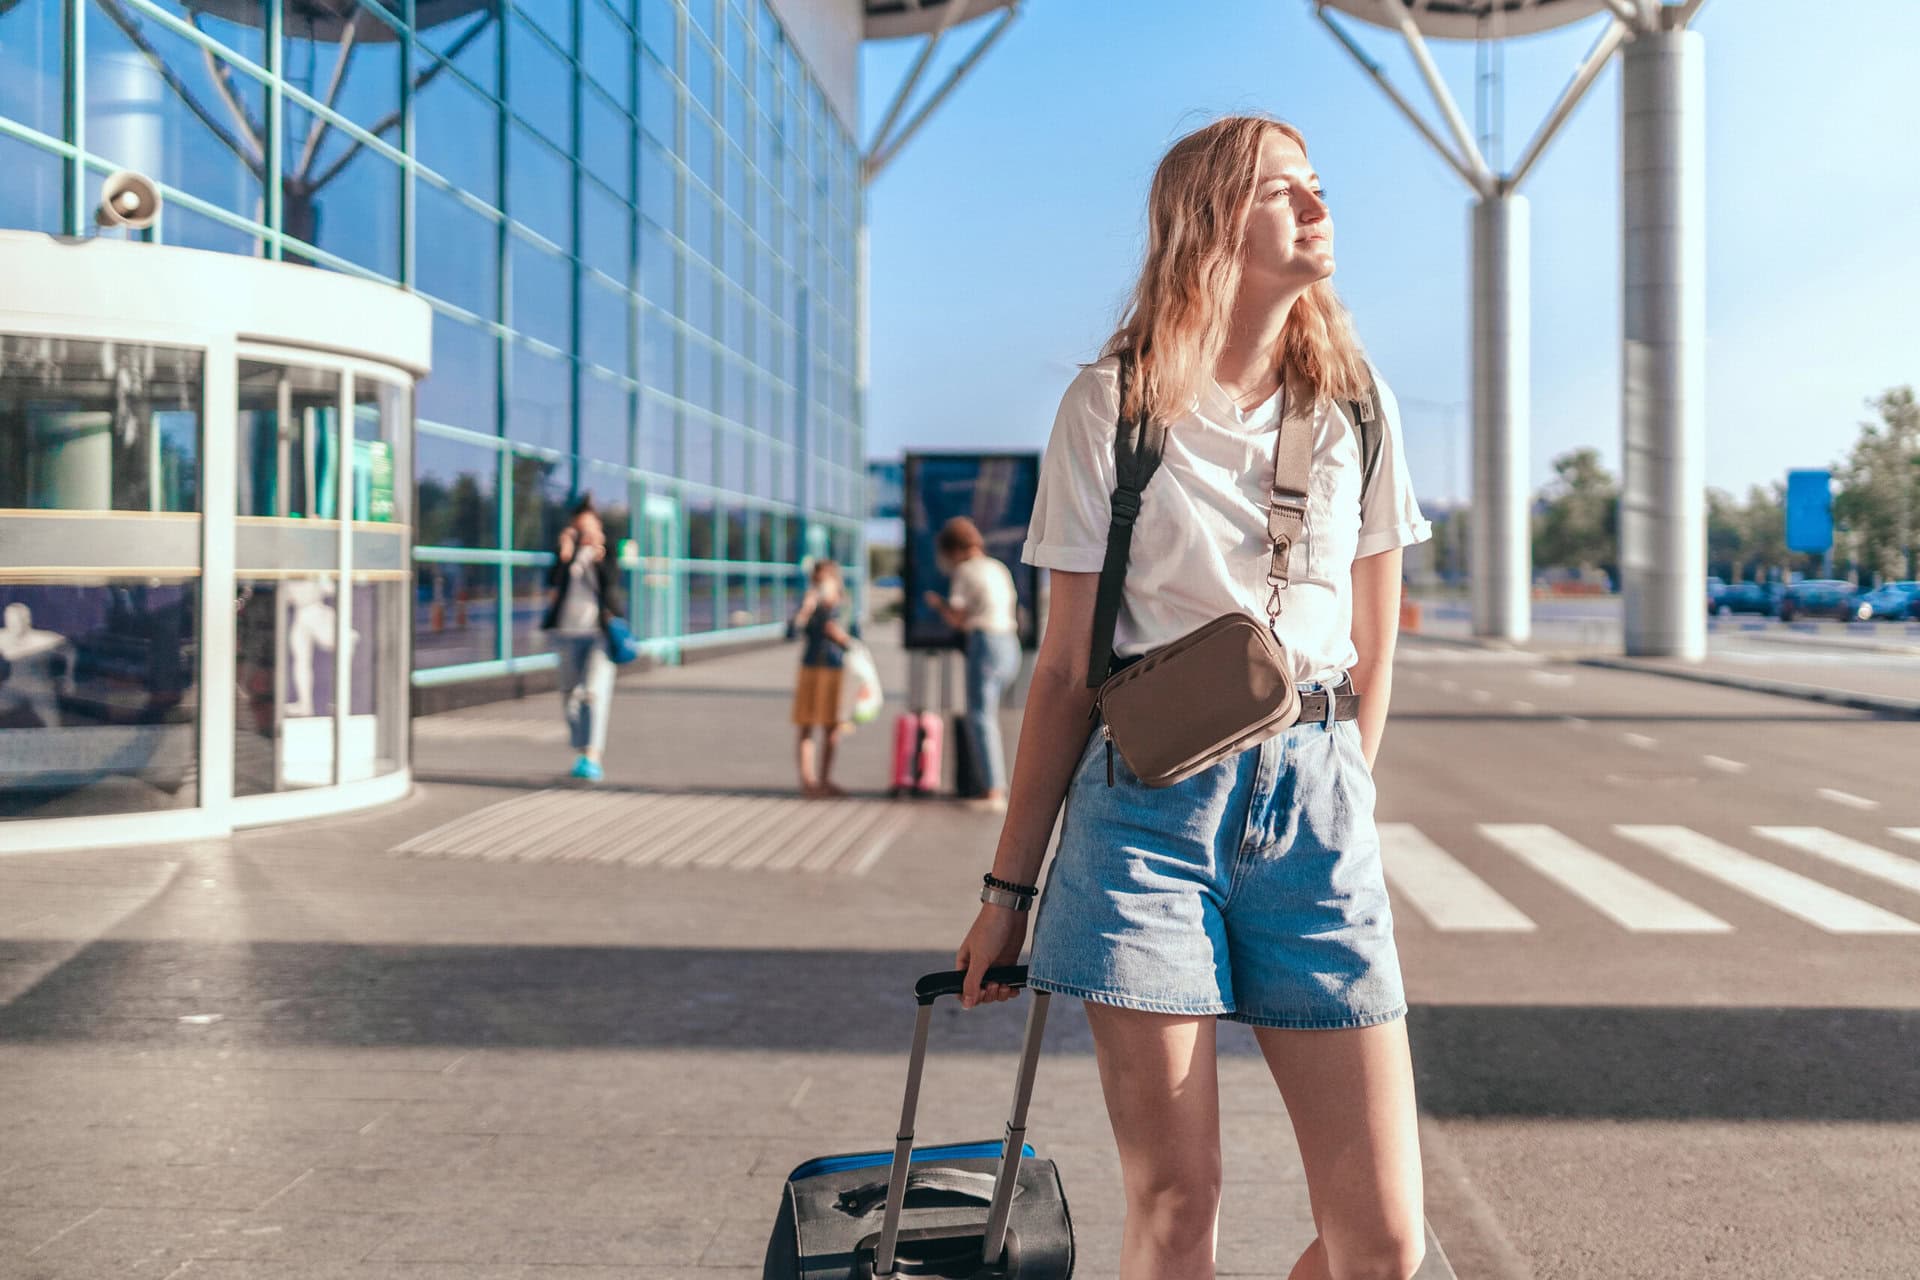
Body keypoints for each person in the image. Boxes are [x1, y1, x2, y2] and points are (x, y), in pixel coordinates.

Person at [953, 116, 1434, 1280]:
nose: (1320, 208)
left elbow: (1375, 640)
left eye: (1320, 186)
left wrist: (1346, 789)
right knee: (1177, 1205)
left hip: (1313, 815)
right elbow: (1063, 672)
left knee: (1384, 1242)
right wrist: (1006, 893)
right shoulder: (1108, 407)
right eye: (1286, 190)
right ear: (1213, 220)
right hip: (1145, 822)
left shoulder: (1356, 408)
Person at [923, 517, 1022, 811]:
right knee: (988, 717)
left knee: (980, 717)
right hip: (1010, 643)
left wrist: (937, 604)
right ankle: (993, 786)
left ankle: (993, 791)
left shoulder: (965, 571)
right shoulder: (997, 567)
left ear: (953, 550)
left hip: (986, 641)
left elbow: (958, 617)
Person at [541, 496, 623, 781]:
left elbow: (612, 583)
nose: (584, 534)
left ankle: (592, 755)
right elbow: (551, 582)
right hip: (566, 633)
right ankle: (581, 747)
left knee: (592, 693)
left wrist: (598, 556)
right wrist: (565, 554)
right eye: (579, 528)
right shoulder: (566, 552)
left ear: (598, 526)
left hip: (598, 634)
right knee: (568, 695)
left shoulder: (607, 551)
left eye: (589, 527)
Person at [790, 558, 857, 798]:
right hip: (811, 667)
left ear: (834, 580)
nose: (819, 585)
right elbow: (790, 633)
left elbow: (855, 641)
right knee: (806, 725)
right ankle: (808, 781)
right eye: (816, 581)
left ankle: (826, 780)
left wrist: (840, 636)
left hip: (834, 668)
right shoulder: (810, 605)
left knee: (831, 727)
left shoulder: (844, 606)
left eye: (823, 580)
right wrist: (805, 610)